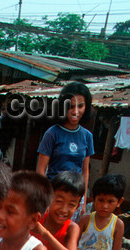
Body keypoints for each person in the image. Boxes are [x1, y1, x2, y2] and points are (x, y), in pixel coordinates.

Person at [37, 82, 94, 219]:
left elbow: (85, 170)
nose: (75, 111)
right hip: (53, 196)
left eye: (80, 106)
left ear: (86, 107)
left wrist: (83, 199)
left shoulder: (87, 136)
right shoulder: (52, 133)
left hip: (74, 199)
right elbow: (40, 170)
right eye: (71, 106)